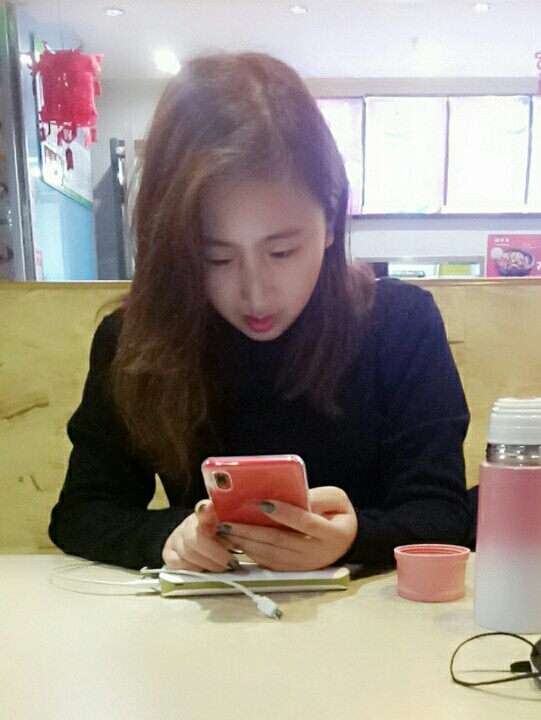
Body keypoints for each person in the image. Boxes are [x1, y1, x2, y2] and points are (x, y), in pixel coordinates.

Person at [49, 53, 471, 574]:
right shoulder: (138, 344)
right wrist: (169, 537)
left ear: (331, 219)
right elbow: (83, 512)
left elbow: (441, 512)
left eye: (282, 251)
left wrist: (353, 537)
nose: (255, 293)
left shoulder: (400, 326)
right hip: (206, 619)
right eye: (215, 257)